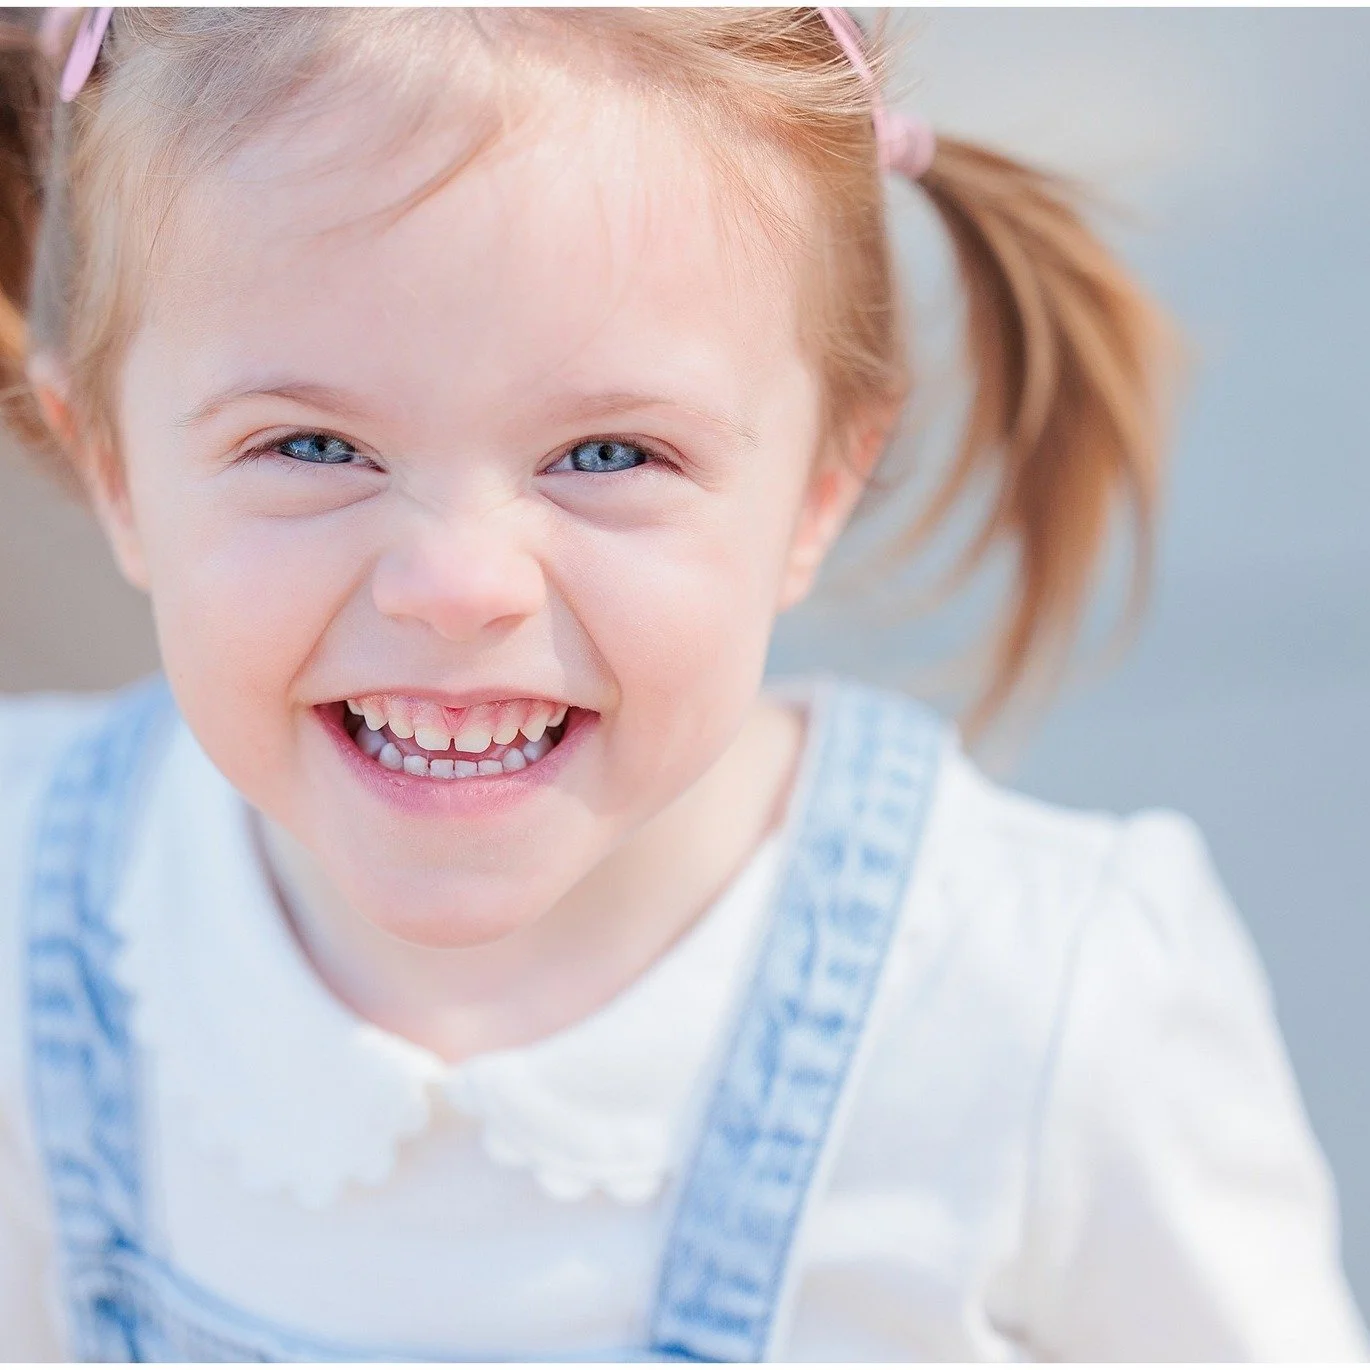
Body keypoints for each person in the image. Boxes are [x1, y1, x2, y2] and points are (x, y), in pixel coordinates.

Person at [0, 6, 1363, 1361]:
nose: (459, 580)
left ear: (819, 486)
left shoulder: (1034, 1001)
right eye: (309, 443)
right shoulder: (29, 909)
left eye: (606, 454)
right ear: (114, 467)